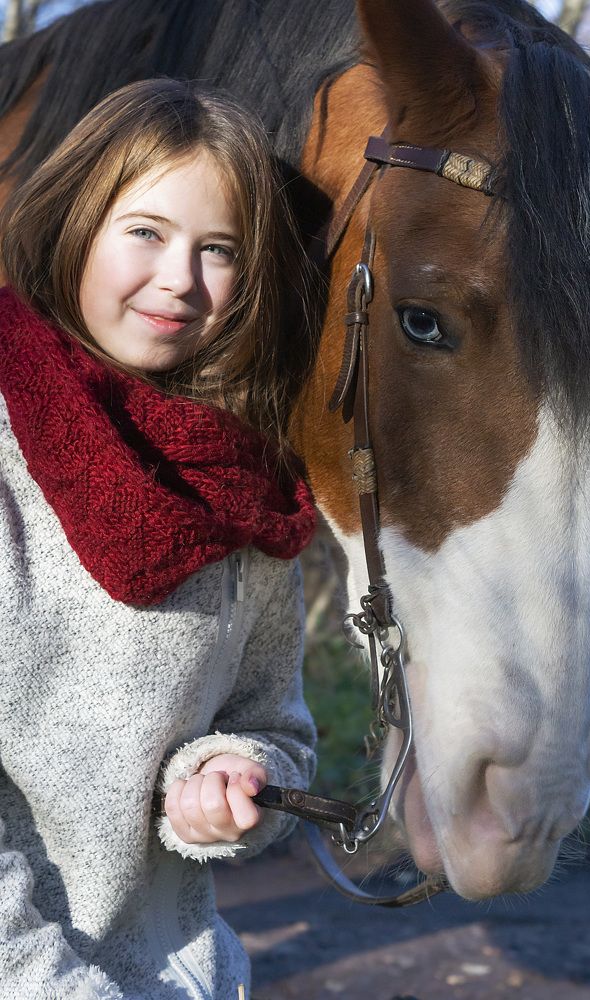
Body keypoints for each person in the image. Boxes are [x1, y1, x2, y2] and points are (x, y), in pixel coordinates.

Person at [0, 78, 318, 1000]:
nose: (181, 279)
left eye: (218, 249)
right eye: (145, 231)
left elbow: (273, 725)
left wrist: (225, 778)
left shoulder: (244, 486)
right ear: (73, 226)